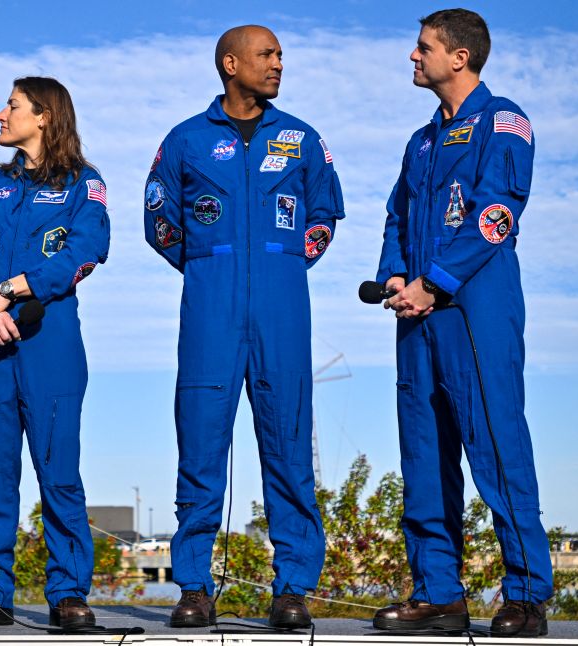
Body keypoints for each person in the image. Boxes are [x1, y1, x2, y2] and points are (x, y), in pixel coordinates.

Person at [145, 25, 344, 629]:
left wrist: (280, 264)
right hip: (210, 307)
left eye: (280, 54)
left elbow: (324, 213)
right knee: (201, 446)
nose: (278, 63)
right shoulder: (185, 139)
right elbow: (159, 218)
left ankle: (292, 589)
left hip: (283, 308)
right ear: (231, 64)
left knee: (288, 444)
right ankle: (195, 588)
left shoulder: (301, 138)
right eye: (267, 54)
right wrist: (209, 265)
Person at [372, 9, 552, 638]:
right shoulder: (420, 141)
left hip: (475, 307)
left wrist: (435, 282)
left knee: (497, 444)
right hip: (416, 313)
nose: (413, 57)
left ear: (460, 58)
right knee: (423, 452)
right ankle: (439, 594)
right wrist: (396, 274)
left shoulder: (504, 121)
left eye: (424, 48)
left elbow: (498, 212)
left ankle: (527, 596)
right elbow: (397, 214)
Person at [0, 77, 110, 630]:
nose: (1, 113)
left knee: (59, 474)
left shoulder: (82, 184)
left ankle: (68, 594)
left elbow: (87, 250)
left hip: (52, 346)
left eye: (13, 106)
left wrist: (14, 289)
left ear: (43, 116)